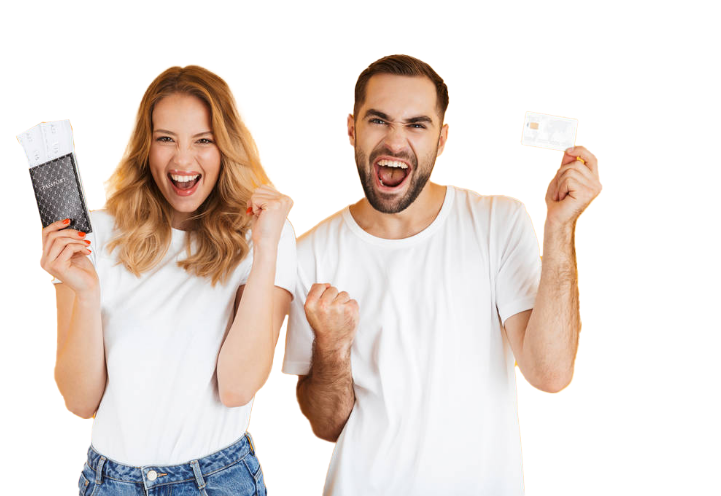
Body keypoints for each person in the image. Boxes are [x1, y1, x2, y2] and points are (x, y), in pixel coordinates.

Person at [281, 54, 602, 495]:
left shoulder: (498, 222)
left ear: (442, 139)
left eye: (416, 125)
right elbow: (327, 426)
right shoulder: (307, 255)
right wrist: (332, 347)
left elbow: (551, 375)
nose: (395, 142)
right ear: (352, 129)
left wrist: (561, 226)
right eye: (379, 121)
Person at [40, 63, 296, 495]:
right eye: (166, 139)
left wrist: (266, 246)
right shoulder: (95, 235)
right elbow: (81, 402)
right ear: (146, 147)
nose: (182, 160)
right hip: (109, 483)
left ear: (226, 147)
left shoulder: (265, 234)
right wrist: (84, 292)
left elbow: (237, 387)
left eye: (203, 140)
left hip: (215, 481)